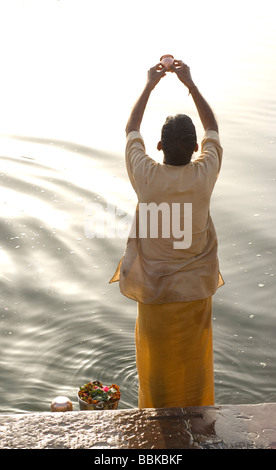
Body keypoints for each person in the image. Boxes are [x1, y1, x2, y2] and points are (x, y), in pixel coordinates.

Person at [110, 59, 224, 408]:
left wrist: (149, 84)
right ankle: (198, 424)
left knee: (157, 370)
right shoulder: (205, 173)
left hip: (156, 291)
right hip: (194, 292)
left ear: (158, 147)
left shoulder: (146, 176)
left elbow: (131, 128)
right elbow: (213, 129)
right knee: (194, 369)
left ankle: (156, 431)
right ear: (194, 149)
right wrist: (189, 83)